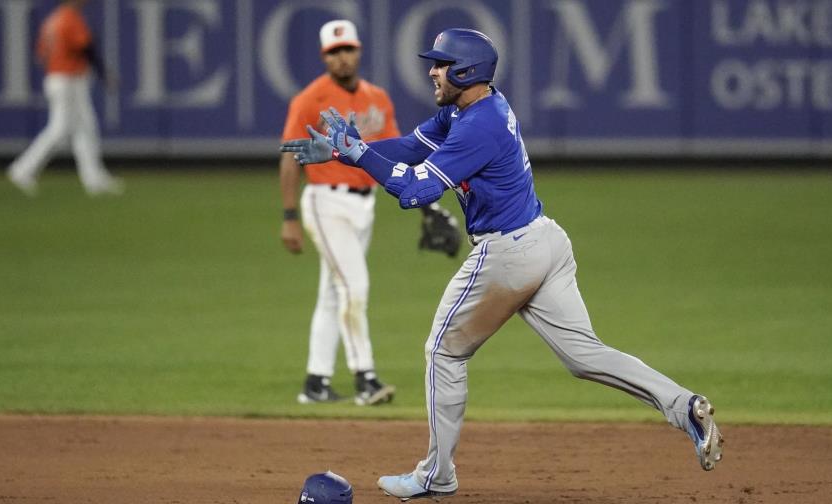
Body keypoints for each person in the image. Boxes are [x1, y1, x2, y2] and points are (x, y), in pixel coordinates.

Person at [281, 28, 725, 500]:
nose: (432, 70)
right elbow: (410, 149)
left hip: (509, 253)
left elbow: (414, 191)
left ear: (467, 70)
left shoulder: (480, 126)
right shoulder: (466, 109)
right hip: (545, 241)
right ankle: (685, 407)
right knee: (585, 356)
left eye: (441, 63)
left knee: (443, 352)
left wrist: (361, 153)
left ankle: (437, 475)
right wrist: (341, 153)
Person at [279, 19, 398, 406]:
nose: (342, 58)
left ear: (358, 50)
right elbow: (290, 157)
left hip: (365, 204)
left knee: (334, 294)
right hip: (325, 202)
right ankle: (366, 377)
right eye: (333, 52)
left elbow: (393, 152)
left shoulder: (378, 98)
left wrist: (427, 205)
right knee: (354, 287)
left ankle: (316, 381)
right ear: (324, 57)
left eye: (346, 49)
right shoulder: (310, 99)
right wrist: (289, 216)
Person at [7, 0, 123, 197]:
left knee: (85, 128)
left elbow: (41, 54)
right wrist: (104, 74)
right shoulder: (70, 19)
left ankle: (93, 178)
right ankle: (22, 169)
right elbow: (86, 49)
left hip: (59, 78)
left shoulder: (52, 20)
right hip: (68, 80)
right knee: (60, 129)